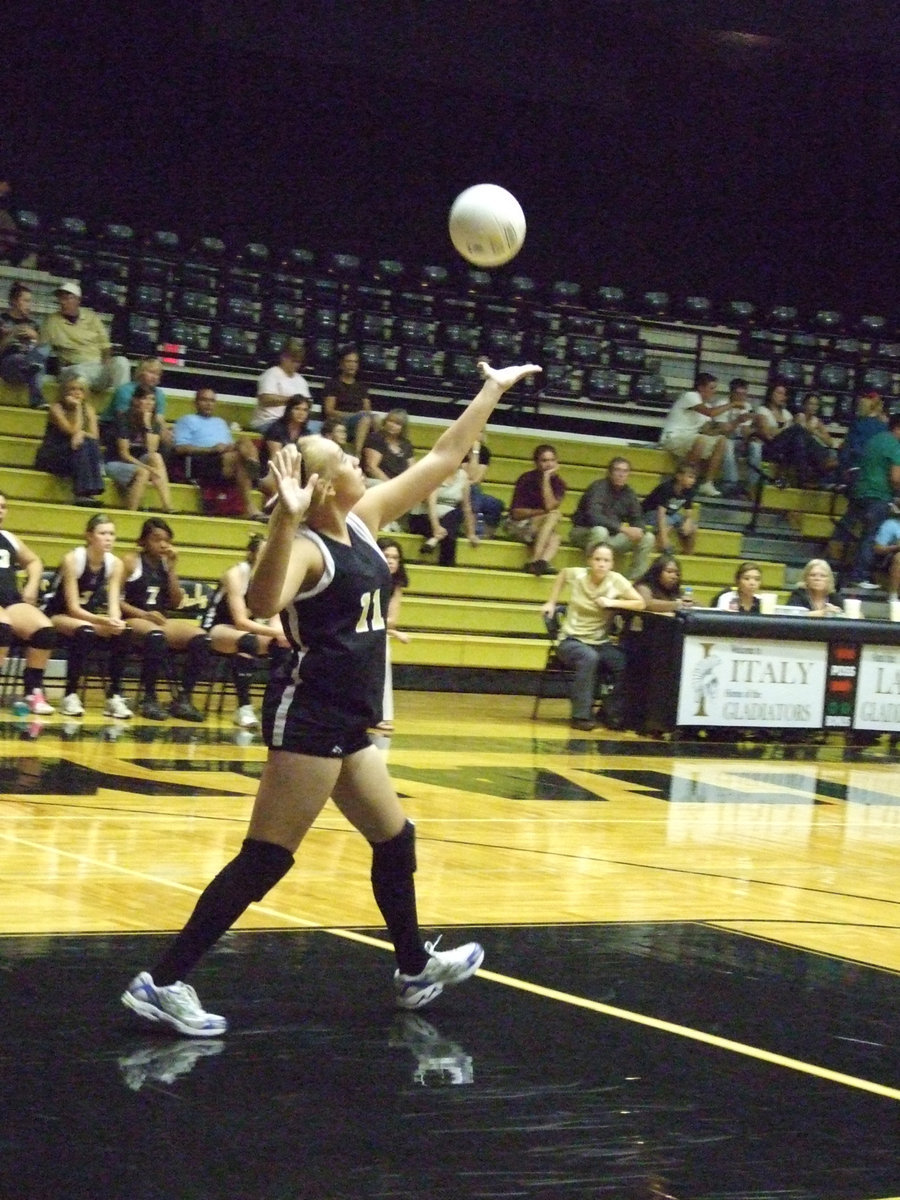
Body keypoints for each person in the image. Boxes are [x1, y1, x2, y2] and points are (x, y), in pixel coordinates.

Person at [120, 359, 539, 1036]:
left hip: (350, 720)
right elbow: (261, 602)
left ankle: (412, 969)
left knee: (395, 839)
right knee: (266, 859)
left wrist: (491, 390)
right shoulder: (310, 546)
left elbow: (443, 455)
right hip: (310, 714)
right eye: (343, 458)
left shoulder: (365, 520)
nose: (356, 461)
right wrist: (285, 521)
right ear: (323, 487)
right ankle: (162, 982)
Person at [540, 540, 644, 731]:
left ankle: (609, 711)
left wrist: (612, 603)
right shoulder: (579, 575)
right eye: (597, 559)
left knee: (624, 662)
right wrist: (551, 602)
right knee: (589, 658)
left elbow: (640, 603)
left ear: (612, 563)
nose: (601, 564)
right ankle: (580, 715)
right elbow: (562, 574)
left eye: (606, 560)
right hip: (572, 640)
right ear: (589, 561)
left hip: (599, 641)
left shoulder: (616, 580)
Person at [120, 518, 212, 721]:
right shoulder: (130, 561)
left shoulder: (165, 565)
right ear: (143, 541)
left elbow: (177, 602)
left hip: (159, 620)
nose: (162, 544)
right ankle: (148, 697)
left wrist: (172, 569)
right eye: (156, 539)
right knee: (156, 636)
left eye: (167, 540)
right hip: (131, 619)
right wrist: (143, 614)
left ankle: (183, 698)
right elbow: (115, 601)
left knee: (202, 640)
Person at [43, 514, 134, 718]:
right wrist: (102, 621)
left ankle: (114, 696)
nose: (108, 538)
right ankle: (70, 695)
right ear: (89, 536)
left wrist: (115, 621)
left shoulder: (115, 564)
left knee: (124, 631)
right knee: (85, 631)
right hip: (57, 614)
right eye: (102, 533)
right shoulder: (73, 559)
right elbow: (73, 608)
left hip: (87, 616)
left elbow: (113, 604)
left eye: (112, 534)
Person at [199, 534, 291, 729]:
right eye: (265, 552)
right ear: (252, 554)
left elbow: (276, 619)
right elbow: (240, 621)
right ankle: (244, 707)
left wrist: (281, 636)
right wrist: (275, 633)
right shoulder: (236, 574)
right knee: (248, 640)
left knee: (282, 645)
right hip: (218, 627)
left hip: (248, 629)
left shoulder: (275, 578)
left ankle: (274, 707)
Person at [0, 491, 57, 714]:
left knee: (44, 630)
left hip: (10, 601)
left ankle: (33, 690)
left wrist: (32, 584)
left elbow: (33, 561)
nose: (0, 511)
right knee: (2, 626)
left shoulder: (8, 537)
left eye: (3, 507)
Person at [172, 386, 264, 521]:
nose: (209, 403)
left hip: (226, 456)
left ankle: (252, 464)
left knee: (244, 441)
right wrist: (211, 449)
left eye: (212, 401)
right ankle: (254, 478)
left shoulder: (220, 422)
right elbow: (180, 448)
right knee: (238, 459)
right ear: (196, 402)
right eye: (204, 400)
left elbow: (231, 445)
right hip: (203, 459)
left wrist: (229, 447)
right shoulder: (186, 420)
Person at [836, 413, 900, 589]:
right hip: (878, 495)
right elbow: (895, 478)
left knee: (853, 531)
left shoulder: (875, 439)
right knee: (870, 536)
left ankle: (835, 560)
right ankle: (859, 575)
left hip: (860, 491)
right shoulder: (895, 445)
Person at [569, 457, 655, 580]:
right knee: (600, 530)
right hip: (584, 532)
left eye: (625, 471)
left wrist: (639, 530)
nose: (621, 474)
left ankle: (635, 578)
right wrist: (623, 529)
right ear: (609, 472)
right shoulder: (598, 487)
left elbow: (637, 517)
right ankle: (591, 574)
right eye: (617, 470)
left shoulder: (629, 493)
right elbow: (594, 517)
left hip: (612, 537)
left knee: (648, 537)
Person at [39, 281, 130, 394]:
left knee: (122, 362)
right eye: (61, 299)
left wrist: (105, 365)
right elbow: (42, 346)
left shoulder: (91, 317)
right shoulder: (51, 321)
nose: (63, 302)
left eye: (67, 298)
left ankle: (122, 404)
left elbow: (105, 346)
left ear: (78, 300)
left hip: (97, 368)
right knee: (79, 372)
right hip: (73, 368)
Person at [658, 372, 734, 497]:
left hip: (690, 439)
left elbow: (708, 430)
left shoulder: (707, 405)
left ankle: (708, 483)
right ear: (701, 387)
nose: (714, 392)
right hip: (673, 437)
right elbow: (710, 413)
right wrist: (732, 404)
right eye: (711, 388)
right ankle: (684, 483)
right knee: (701, 440)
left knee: (721, 440)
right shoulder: (690, 396)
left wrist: (727, 426)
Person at [34, 375, 105, 505]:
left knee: (88, 443)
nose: (77, 393)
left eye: (80, 389)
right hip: (53, 455)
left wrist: (82, 433)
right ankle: (83, 493)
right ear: (65, 392)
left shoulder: (88, 409)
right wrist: (78, 409)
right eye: (72, 389)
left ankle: (87, 492)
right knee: (83, 444)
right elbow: (71, 431)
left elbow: (95, 436)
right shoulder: (56, 408)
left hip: (75, 455)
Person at [105, 384, 174, 512]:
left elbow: (151, 451)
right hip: (116, 462)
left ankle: (167, 506)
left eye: (152, 399)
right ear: (136, 400)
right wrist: (147, 467)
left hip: (138, 461)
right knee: (143, 472)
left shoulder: (154, 423)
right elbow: (124, 454)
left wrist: (147, 424)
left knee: (156, 457)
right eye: (146, 399)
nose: (150, 403)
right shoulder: (123, 419)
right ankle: (131, 513)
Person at [507, 443, 566, 575]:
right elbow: (516, 514)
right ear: (536, 462)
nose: (549, 464)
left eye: (552, 460)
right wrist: (541, 513)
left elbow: (550, 505)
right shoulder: (526, 479)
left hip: (539, 529)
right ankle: (536, 560)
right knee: (554, 515)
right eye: (544, 460)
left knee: (556, 537)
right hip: (518, 525)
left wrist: (546, 480)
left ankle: (539, 563)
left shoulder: (559, 484)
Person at [408, 465, 477, 566]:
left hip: (447, 519)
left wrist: (471, 533)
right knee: (449, 534)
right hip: (424, 517)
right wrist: (436, 527)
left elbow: (467, 507)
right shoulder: (435, 473)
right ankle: (447, 568)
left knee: (456, 515)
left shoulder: (463, 476)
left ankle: (434, 540)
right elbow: (431, 504)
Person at [375, 537, 411, 734]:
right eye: (386, 555)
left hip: (376, 633)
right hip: (354, 631)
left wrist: (392, 630)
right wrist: (393, 631)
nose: (390, 561)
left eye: (395, 557)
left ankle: (380, 714)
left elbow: (391, 620)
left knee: (382, 651)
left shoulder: (396, 585)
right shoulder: (365, 579)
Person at [101, 356, 173, 452]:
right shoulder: (125, 390)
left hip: (143, 425)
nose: (155, 377)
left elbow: (158, 419)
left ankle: (159, 465)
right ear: (140, 372)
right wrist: (147, 427)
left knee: (167, 440)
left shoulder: (159, 393)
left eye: (158, 374)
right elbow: (122, 417)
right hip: (114, 426)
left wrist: (165, 433)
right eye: (151, 372)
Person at [0, 281, 50, 408]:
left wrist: (35, 337)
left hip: (29, 363)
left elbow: (44, 350)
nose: (30, 305)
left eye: (30, 301)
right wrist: (11, 335)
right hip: (8, 364)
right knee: (26, 361)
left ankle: (31, 368)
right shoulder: (2, 321)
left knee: (43, 351)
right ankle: (37, 399)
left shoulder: (34, 325)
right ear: (15, 301)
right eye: (26, 301)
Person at [249, 338, 311, 433]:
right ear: (283, 357)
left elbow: (307, 403)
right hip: (269, 421)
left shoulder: (301, 380)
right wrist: (293, 401)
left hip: (294, 422)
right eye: (293, 361)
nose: (296, 365)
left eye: (298, 362)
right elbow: (265, 399)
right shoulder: (271, 374)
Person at [320, 344, 373, 456]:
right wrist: (353, 416)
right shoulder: (332, 384)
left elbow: (367, 410)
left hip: (359, 423)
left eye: (355, 362)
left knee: (375, 419)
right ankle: (357, 455)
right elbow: (329, 411)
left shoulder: (362, 387)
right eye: (349, 361)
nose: (352, 365)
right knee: (364, 419)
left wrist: (360, 416)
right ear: (341, 364)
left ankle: (375, 453)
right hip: (340, 422)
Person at [641, 462, 699, 555]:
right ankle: (661, 546)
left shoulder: (689, 490)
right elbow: (661, 514)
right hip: (649, 514)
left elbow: (688, 510)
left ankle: (688, 554)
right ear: (679, 476)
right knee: (670, 521)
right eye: (690, 477)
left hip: (670, 514)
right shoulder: (666, 488)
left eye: (694, 478)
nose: (693, 481)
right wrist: (665, 540)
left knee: (693, 525)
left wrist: (688, 521)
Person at [465, 433, 504, 536]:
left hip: (472, 490)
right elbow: (468, 476)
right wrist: (474, 451)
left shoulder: (484, 452)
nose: (478, 434)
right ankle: (471, 532)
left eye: (481, 431)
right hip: (455, 490)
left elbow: (476, 479)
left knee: (495, 504)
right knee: (473, 490)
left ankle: (486, 536)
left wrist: (476, 451)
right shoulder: (458, 449)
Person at [363, 409, 414, 483]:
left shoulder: (406, 444)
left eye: (397, 424)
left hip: (400, 483)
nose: (392, 425)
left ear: (403, 427)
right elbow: (371, 467)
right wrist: (391, 485)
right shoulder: (376, 439)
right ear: (385, 422)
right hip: (378, 482)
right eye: (390, 421)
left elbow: (412, 469)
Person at [873, 513, 900, 601]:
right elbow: (878, 549)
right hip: (889, 558)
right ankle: (893, 595)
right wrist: (897, 547)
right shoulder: (890, 524)